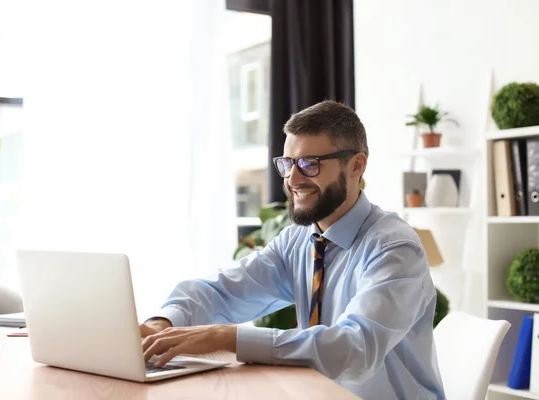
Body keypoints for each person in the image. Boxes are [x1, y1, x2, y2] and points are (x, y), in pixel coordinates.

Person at [140, 100, 445, 400]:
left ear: (356, 165)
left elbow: (355, 348)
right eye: (287, 164)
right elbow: (224, 291)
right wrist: (165, 322)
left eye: (309, 164)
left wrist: (227, 337)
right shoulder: (297, 241)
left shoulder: (394, 248)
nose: (292, 179)